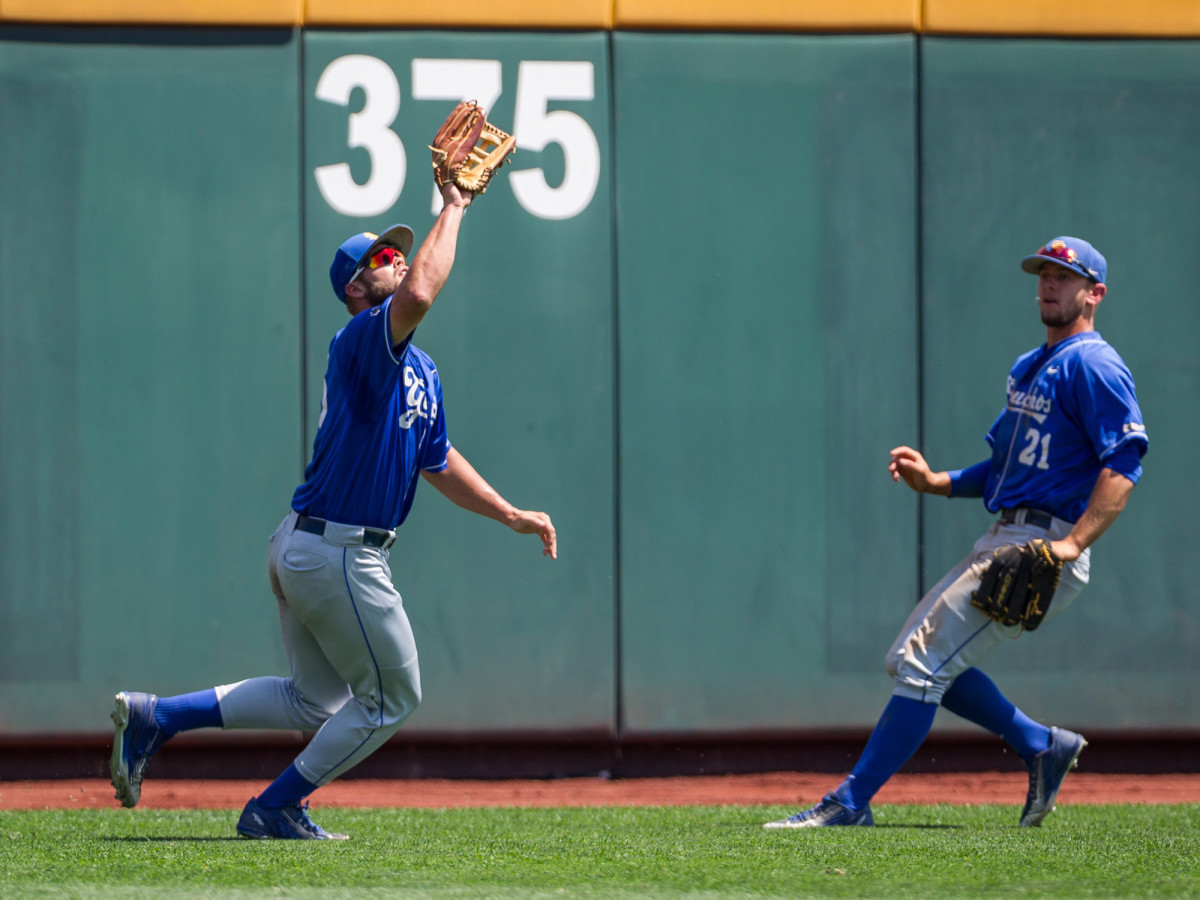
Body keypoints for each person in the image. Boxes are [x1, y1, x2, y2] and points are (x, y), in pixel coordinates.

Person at [109, 178, 557, 840]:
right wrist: (455, 207)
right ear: (353, 288)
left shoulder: (420, 367)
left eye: (398, 252)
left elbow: (438, 460)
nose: (396, 259)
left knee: (314, 700)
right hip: (339, 552)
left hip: (310, 545)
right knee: (394, 698)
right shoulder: (362, 339)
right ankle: (275, 807)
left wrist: (509, 513)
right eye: (380, 257)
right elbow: (420, 294)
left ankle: (159, 717)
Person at [765, 236, 1148, 829]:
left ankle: (849, 802)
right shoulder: (1030, 365)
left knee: (922, 665)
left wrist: (1072, 545)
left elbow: (1123, 464)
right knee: (906, 660)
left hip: (1046, 545)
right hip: (1008, 535)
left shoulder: (1094, 364)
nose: (1048, 284)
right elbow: (1005, 468)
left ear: (1094, 293)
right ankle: (1041, 745)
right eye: (1043, 274)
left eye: (1063, 276)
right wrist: (937, 482)